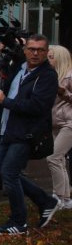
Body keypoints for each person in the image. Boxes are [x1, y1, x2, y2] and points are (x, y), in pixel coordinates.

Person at [0, 34, 60, 234]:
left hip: (27, 133)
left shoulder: (47, 75)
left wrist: (6, 102)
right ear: (25, 50)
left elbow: (38, 106)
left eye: (40, 50)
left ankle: (18, 221)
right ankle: (45, 201)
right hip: (8, 128)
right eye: (31, 49)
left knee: (9, 173)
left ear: (47, 52)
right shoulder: (20, 68)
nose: (35, 53)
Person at [47, 45, 72, 210]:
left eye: (51, 56)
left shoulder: (69, 76)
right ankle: (65, 198)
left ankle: (59, 195)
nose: (48, 59)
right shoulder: (52, 76)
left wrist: (65, 93)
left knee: (54, 157)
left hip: (69, 122)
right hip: (56, 123)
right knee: (59, 159)